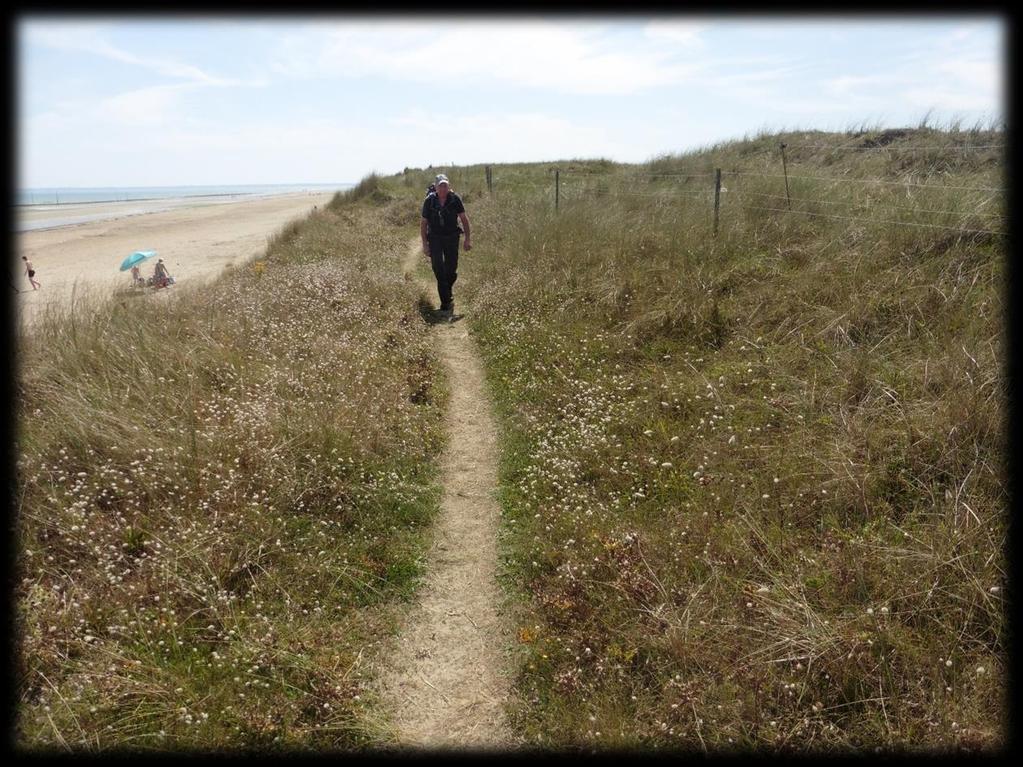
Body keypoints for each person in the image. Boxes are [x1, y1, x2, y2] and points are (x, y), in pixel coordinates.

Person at [421, 174, 471, 318]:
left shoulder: (455, 200)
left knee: (451, 268)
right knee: (438, 267)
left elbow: (464, 219)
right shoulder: (429, 201)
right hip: (435, 238)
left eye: (445, 185)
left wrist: (467, 239)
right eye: (440, 185)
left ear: (448, 186)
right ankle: (445, 303)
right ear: (435, 187)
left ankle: (446, 292)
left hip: (451, 237)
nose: (443, 188)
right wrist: (425, 244)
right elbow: (423, 223)